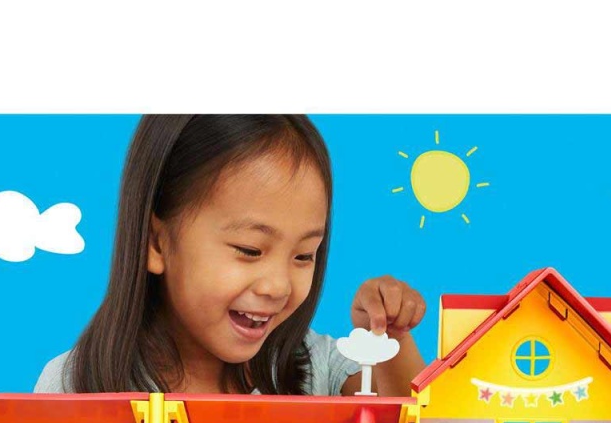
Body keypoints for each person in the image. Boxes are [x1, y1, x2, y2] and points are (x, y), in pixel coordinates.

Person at [34, 115, 427, 395]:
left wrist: (386, 337)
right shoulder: (74, 385)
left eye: (304, 255)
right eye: (249, 250)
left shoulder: (312, 370)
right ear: (155, 242)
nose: (278, 286)